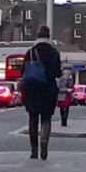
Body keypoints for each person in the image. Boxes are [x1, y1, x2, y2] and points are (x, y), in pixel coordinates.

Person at [20, 25, 62, 159]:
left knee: (33, 119)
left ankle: (33, 150)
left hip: (32, 90)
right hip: (48, 89)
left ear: (37, 36)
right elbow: (57, 73)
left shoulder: (30, 52)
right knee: (46, 118)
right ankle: (44, 142)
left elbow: (23, 71)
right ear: (48, 36)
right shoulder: (54, 53)